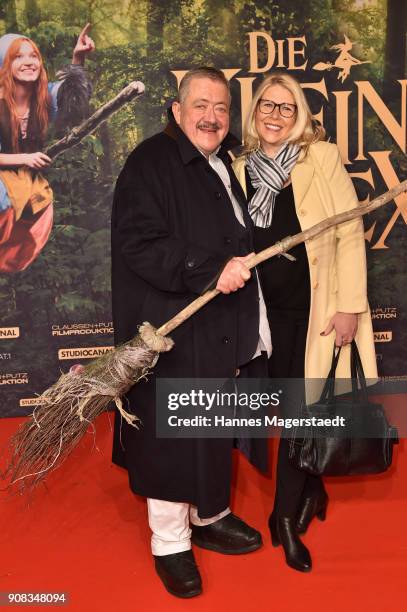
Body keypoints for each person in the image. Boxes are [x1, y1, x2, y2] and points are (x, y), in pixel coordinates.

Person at [111, 66, 272, 598]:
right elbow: (139, 243)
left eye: (222, 108)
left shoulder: (220, 162)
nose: (212, 116)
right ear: (177, 111)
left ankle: (209, 516)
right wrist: (211, 268)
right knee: (172, 433)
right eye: (200, 105)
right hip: (170, 329)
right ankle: (170, 543)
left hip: (215, 326)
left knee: (210, 424)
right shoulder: (150, 162)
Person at [233, 71, 377, 572]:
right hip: (260, 318)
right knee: (285, 411)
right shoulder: (238, 168)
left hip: (313, 312)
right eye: (266, 107)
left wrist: (348, 306)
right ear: (255, 114)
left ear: (299, 117)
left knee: (300, 413)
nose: (274, 115)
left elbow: (350, 233)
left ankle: (284, 519)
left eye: (285, 107)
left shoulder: (321, 157)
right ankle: (312, 487)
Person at [0, 25, 94, 273]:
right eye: (18, 56)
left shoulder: (44, 98)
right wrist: (26, 158)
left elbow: (72, 102)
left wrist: (78, 57)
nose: (29, 62)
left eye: (33, 56)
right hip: (2, 182)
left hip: (24, 182)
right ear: (4, 65)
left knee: (40, 205)